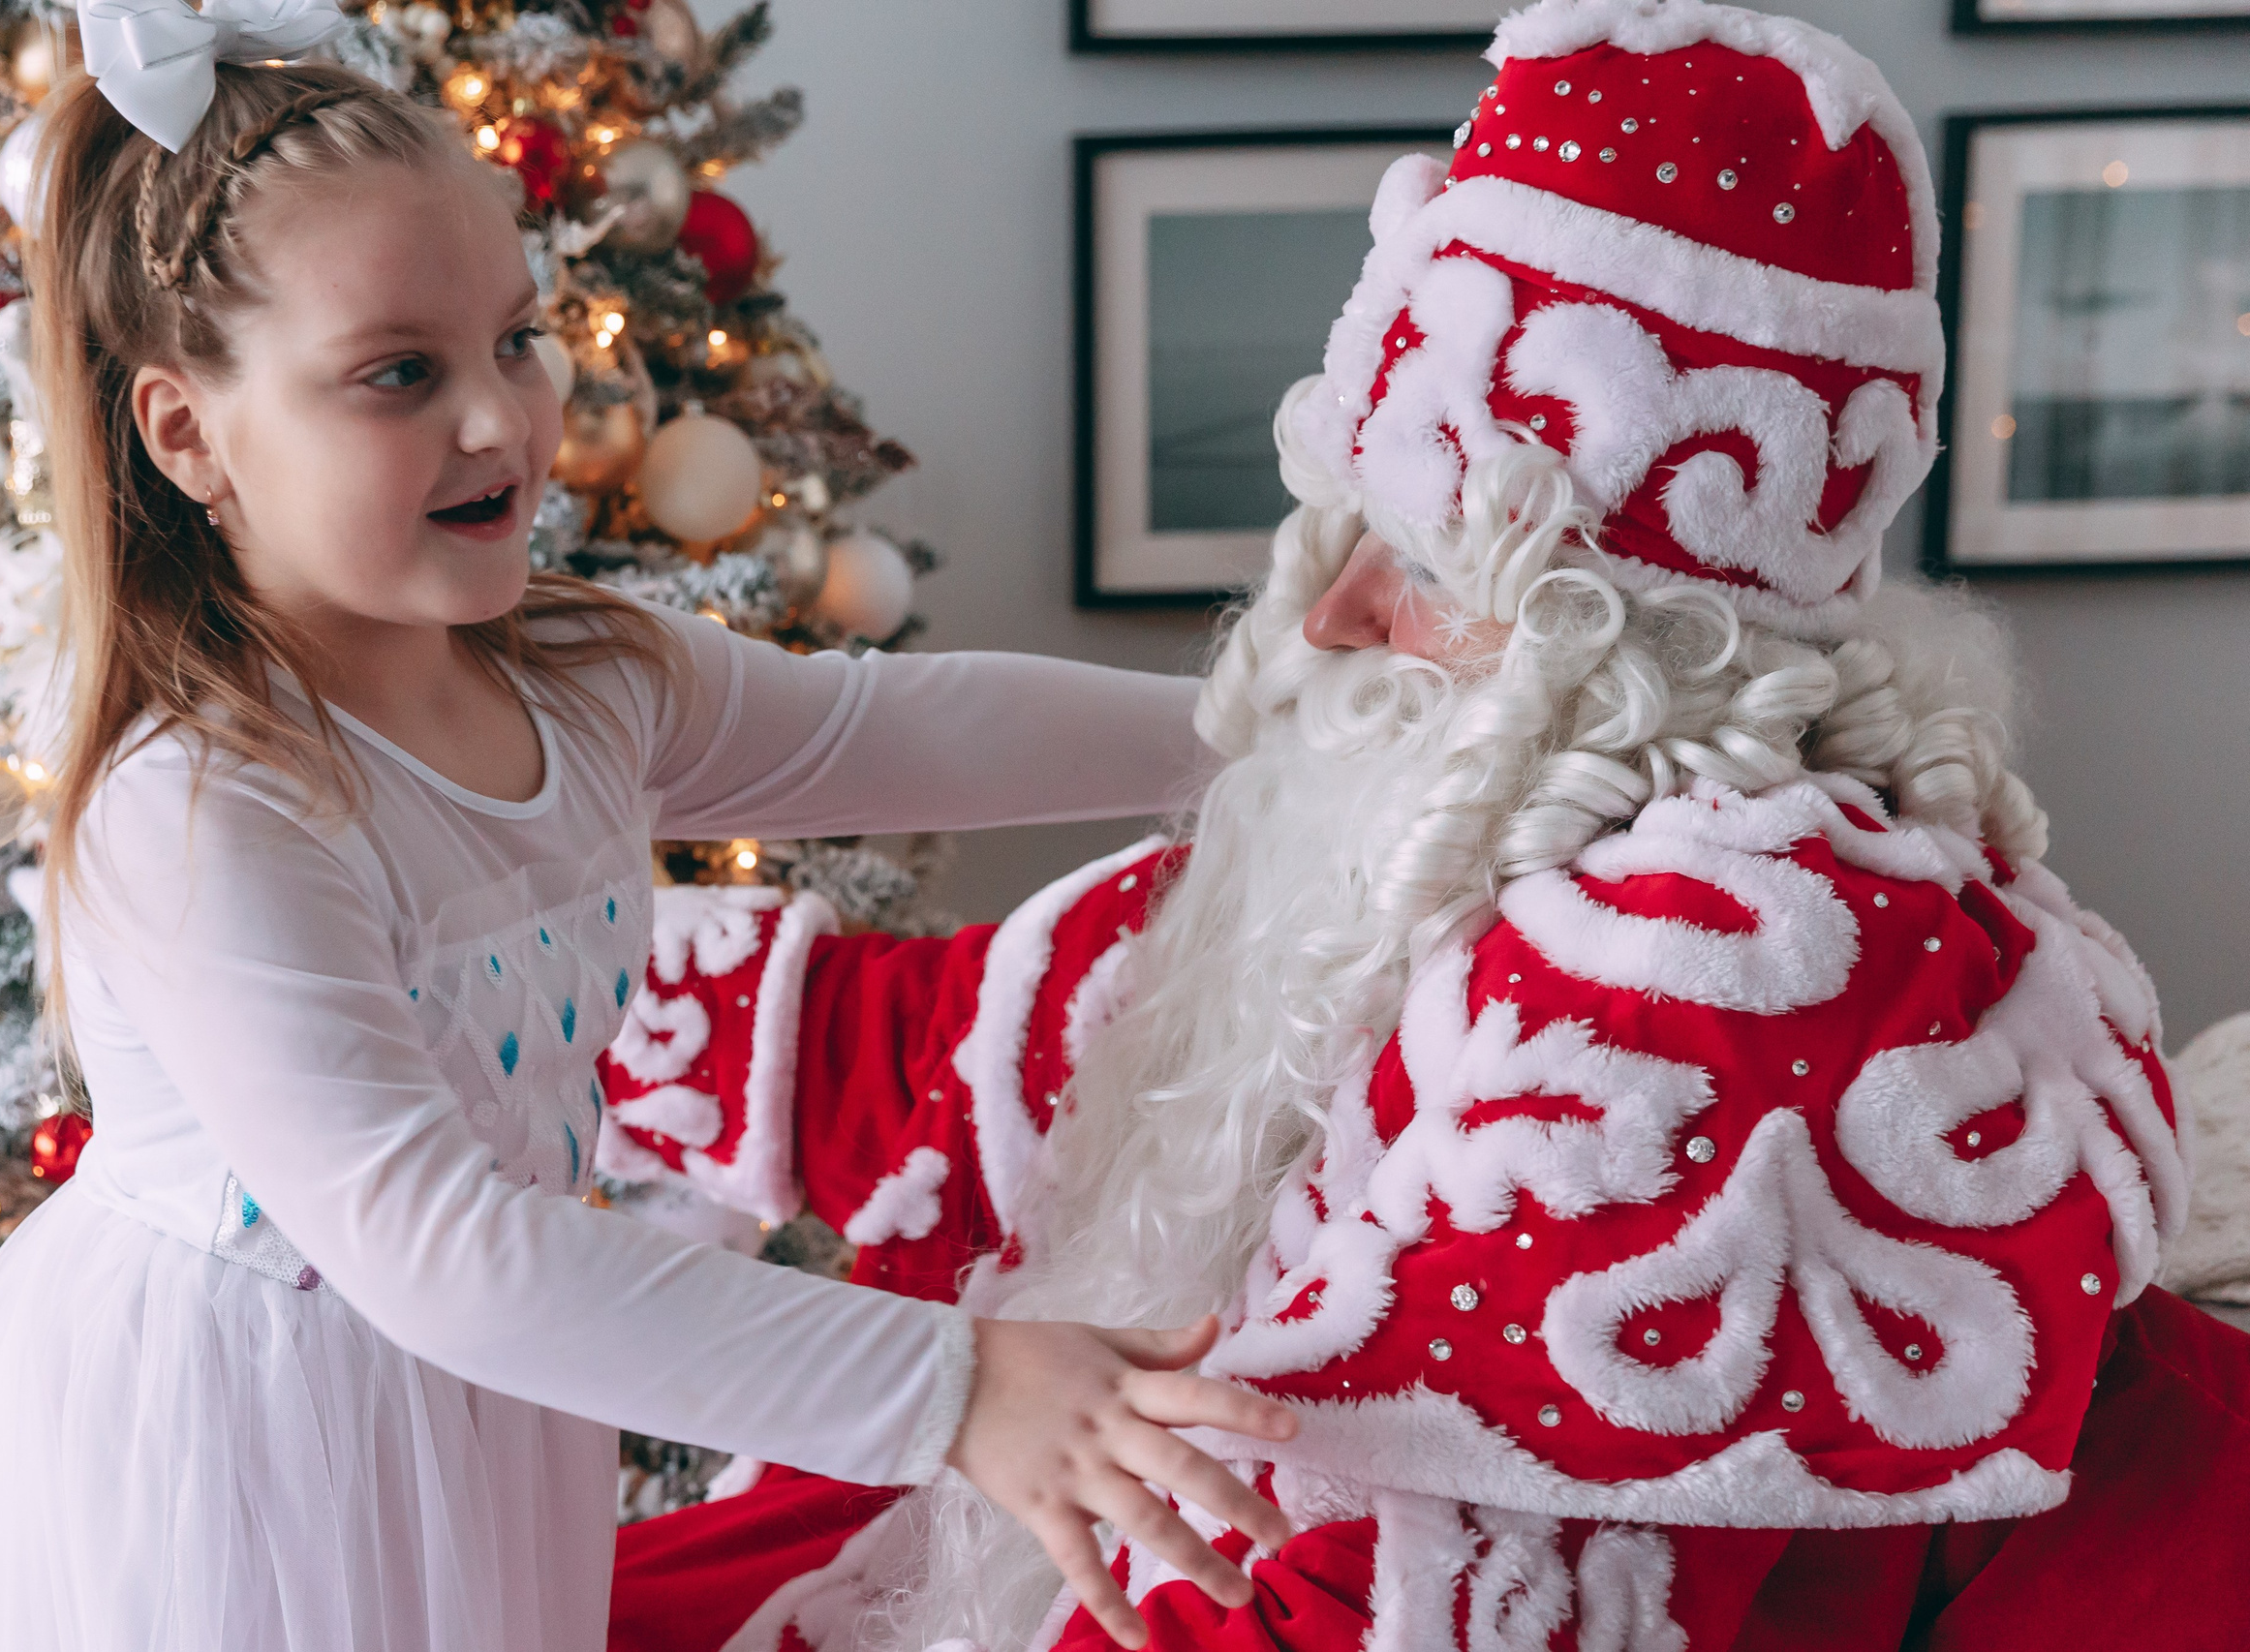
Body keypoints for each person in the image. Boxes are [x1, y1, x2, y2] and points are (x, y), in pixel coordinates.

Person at [598, 1, 2250, 1647]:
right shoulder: (1469, 837)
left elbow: (1370, 1611)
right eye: (1348, 531)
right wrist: (513, 973)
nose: (1334, 619)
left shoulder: (1708, 997)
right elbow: (981, 1048)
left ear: (1634, 639)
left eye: (1429, 565)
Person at [0, 7, 1306, 1650]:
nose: (503, 421)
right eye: (399, 373)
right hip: (236, 1443)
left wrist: (1265, 720)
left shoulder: (578, 673)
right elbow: (436, 1240)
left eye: (517, 338)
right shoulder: (209, 803)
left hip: (484, 1408)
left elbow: (889, 724)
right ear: (187, 430)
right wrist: (954, 1386)